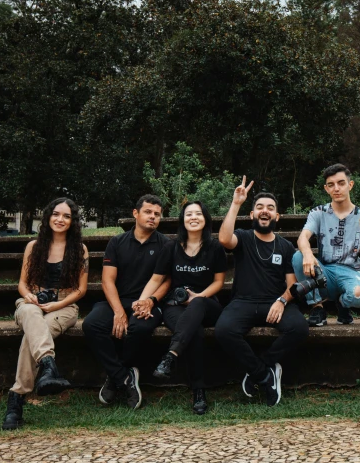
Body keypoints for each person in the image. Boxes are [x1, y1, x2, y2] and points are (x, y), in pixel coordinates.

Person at [215, 176, 309, 407]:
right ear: (252, 215)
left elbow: (291, 286)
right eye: (259, 208)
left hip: (274, 301)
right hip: (243, 301)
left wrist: (282, 301)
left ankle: (263, 365)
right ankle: (264, 376)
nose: (264, 211)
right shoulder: (244, 238)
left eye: (270, 208)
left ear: (277, 216)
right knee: (224, 330)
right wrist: (236, 203)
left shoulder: (286, 247)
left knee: (299, 328)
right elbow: (224, 239)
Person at [2, 197, 89, 430]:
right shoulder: (33, 246)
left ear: (73, 222)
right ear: (48, 216)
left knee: (32, 336)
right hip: (32, 302)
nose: (60, 219)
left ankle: (16, 400)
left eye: (67, 216)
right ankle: (48, 365)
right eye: (56, 214)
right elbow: (22, 284)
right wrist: (29, 296)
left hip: (64, 306)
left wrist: (56, 305)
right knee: (31, 315)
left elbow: (81, 289)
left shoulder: (79, 249)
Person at [136, 200, 227, 415]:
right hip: (175, 306)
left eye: (198, 214)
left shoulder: (214, 247)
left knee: (197, 306)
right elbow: (156, 279)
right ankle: (198, 391)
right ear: (182, 220)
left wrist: (198, 296)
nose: (193, 218)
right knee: (193, 331)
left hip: (208, 305)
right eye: (188, 214)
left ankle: (171, 355)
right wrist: (142, 301)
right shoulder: (171, 247)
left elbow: (219, 282)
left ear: (205, 219)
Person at [82, 194, 170, 409]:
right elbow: (107, 280)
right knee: (91, 324)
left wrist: (150, 301)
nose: (152, 217)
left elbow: (167, 281)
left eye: (157, 214)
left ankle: (116, 376)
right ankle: (124, 377)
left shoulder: (166, 244)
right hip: (117, 301)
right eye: (148, 212)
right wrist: (119, 312)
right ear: (135, 213)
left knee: (138, 328)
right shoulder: (117, 242)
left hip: (150, 303)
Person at [293, 164, 360, 326]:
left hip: (352, 272)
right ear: (326, 189)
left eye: (341, 183)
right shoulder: (318, 213)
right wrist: (308, 254)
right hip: (325, 273)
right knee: (298, 256)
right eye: (331, 185)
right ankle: (317, 307)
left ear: (350, 185)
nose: (336, 188)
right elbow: (303, 237)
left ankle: (343, 305)